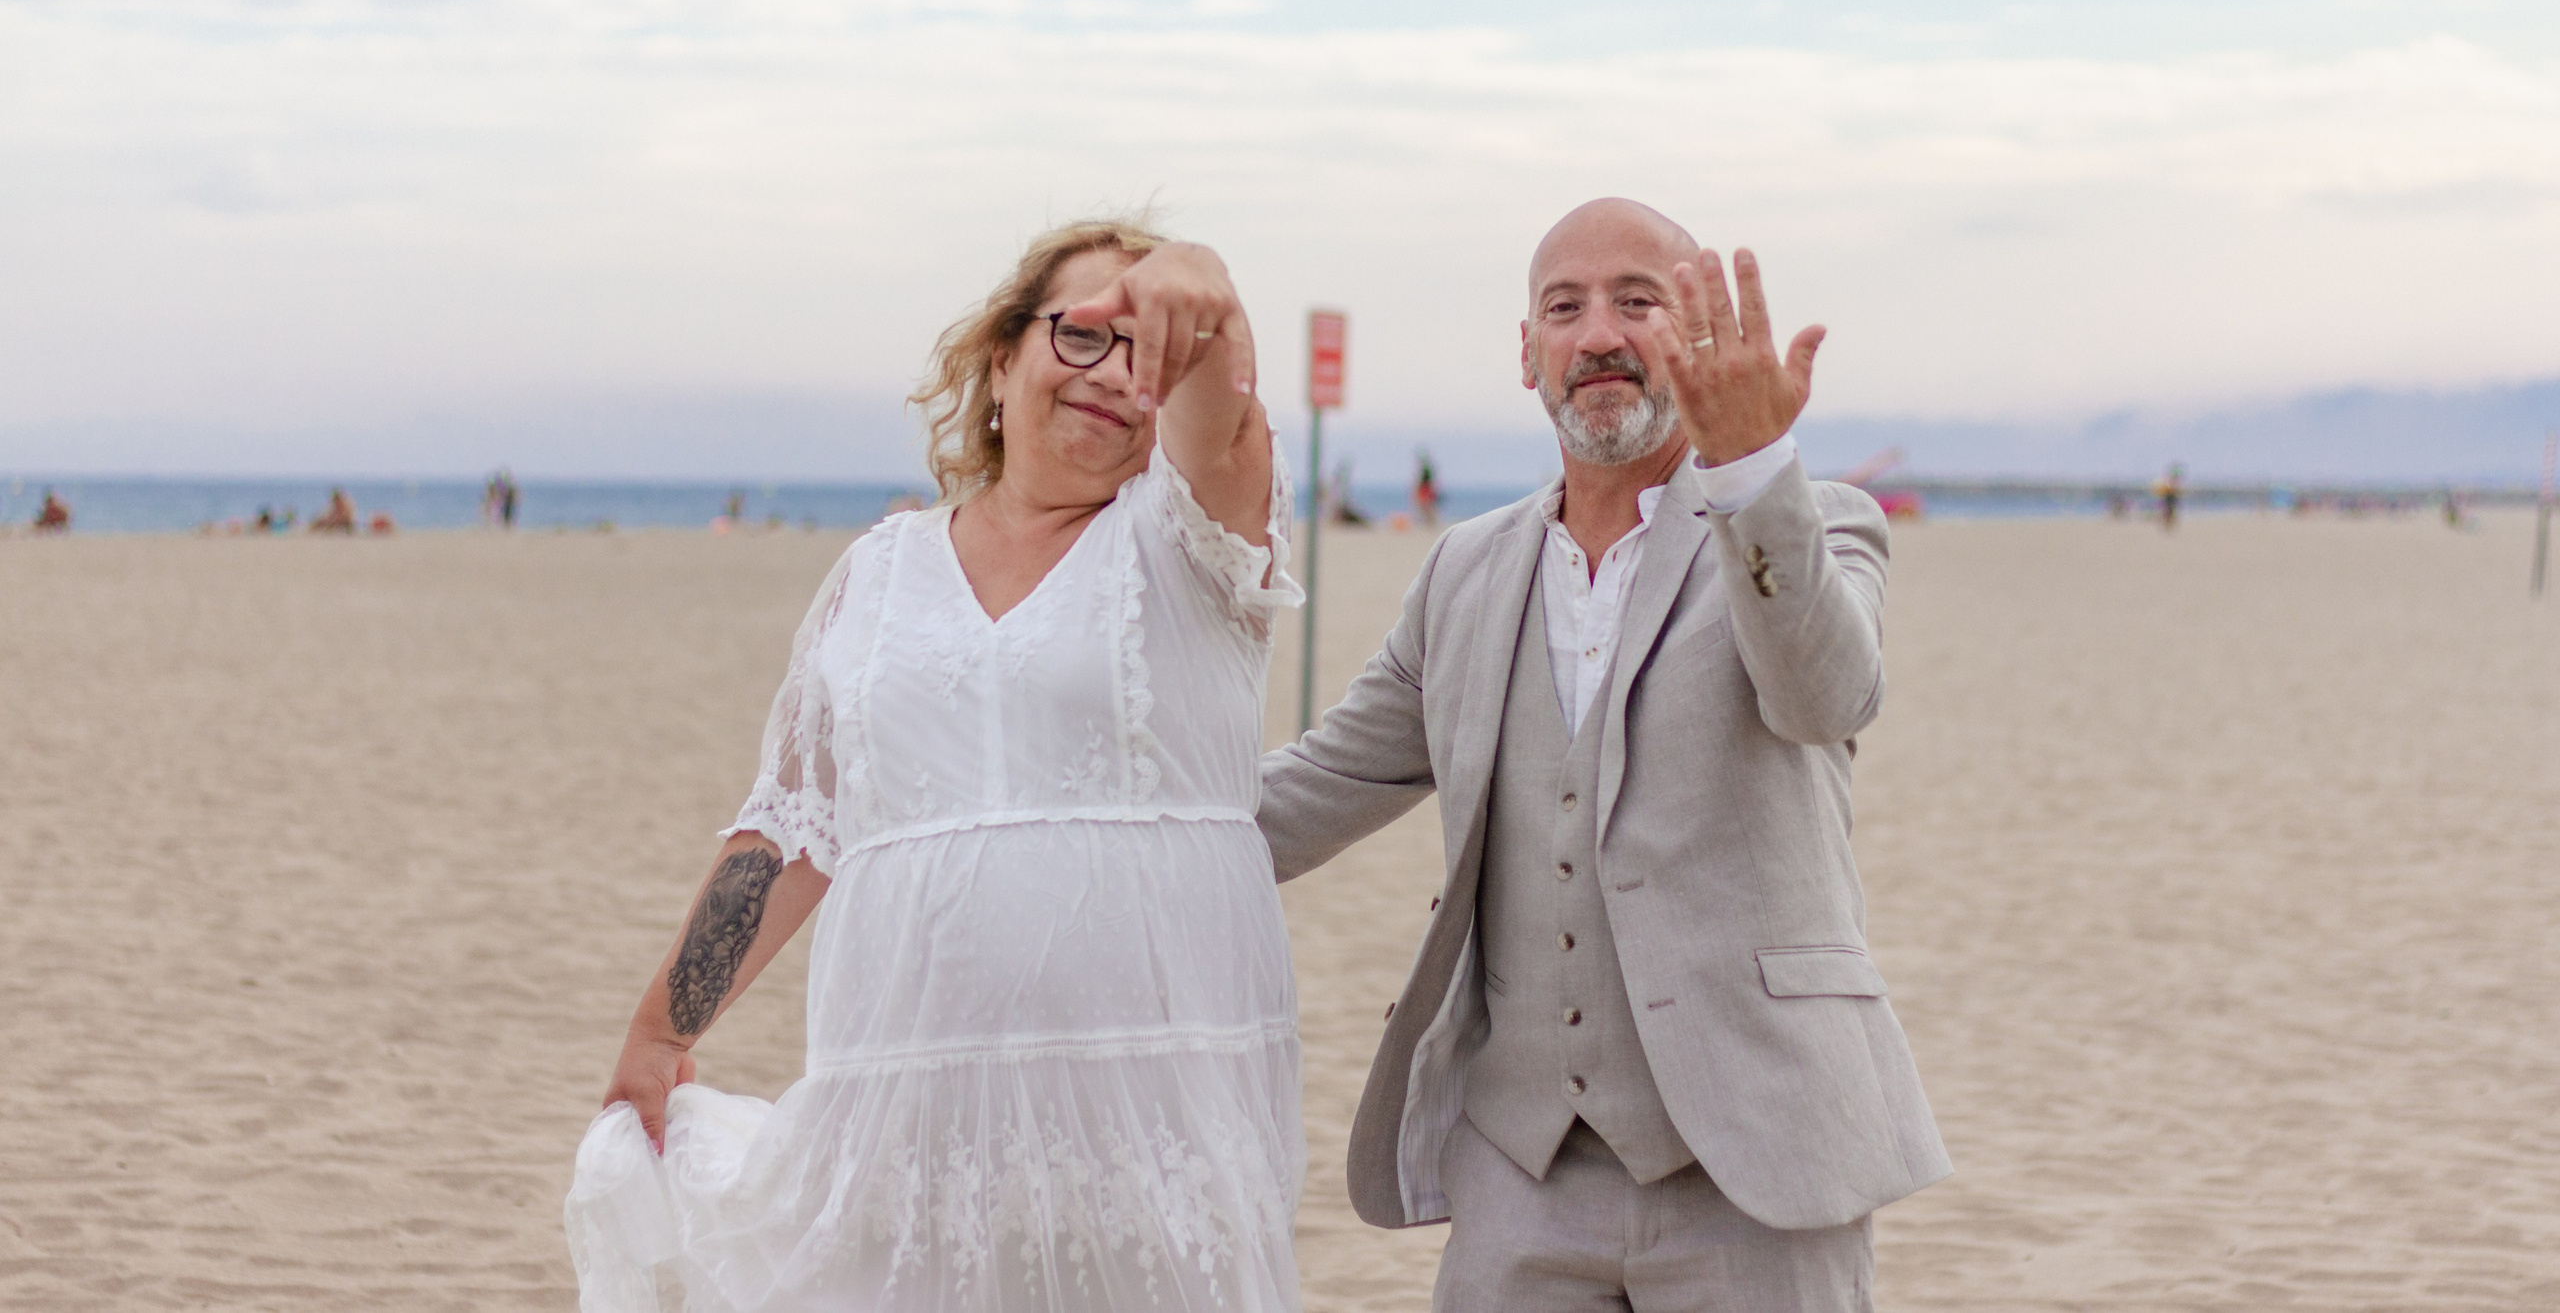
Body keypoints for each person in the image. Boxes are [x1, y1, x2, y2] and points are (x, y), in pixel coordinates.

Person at [565, 218, 1307, 1313]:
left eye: (1148, 350)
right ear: (1002, 357)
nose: (1116, 377)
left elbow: (1227, 428)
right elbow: (792, 831)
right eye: (1084, 335)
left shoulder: (1186, 547)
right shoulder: (877, 575)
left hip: (1148, 1121)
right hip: (909, 1122)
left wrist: (1208, 293)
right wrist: (662, 1027)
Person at [1257, 198, 1947, 1312]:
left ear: (1699, 341)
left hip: (1757, 1159)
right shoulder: (1463, 573)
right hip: (1522, 1172)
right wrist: (1088, 839)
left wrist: (1752, 466)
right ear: (1525, 355)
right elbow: (1318, 785)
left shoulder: (1817, 520)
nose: (1599, 336)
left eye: (1640, 302)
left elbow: (1825, 694)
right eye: (1564, 309)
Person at [1412, 448, 1441, 528]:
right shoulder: (1427, 468)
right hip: (1426, 490)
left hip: (1425, 490)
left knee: (1426, 507)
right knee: (1427, 508)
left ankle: (1430, 523)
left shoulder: (1425, 468)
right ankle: (1429, 523)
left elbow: (1424, 482)